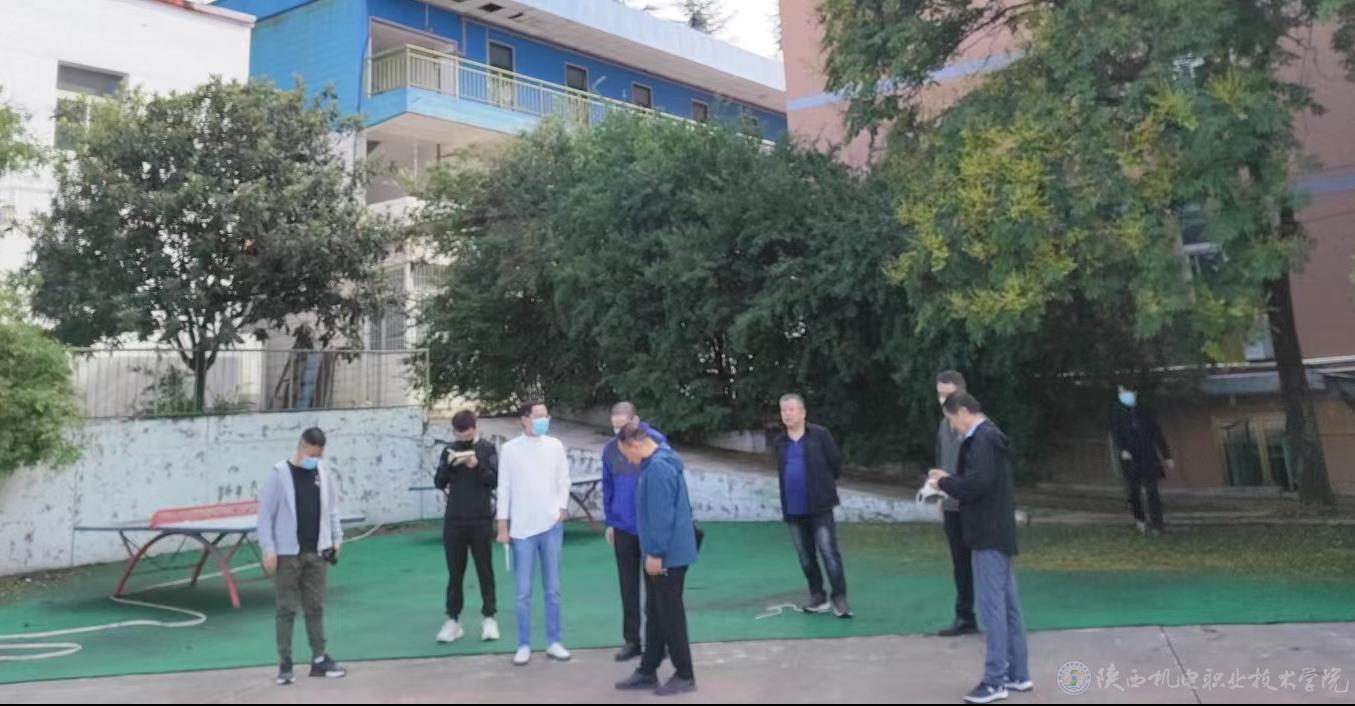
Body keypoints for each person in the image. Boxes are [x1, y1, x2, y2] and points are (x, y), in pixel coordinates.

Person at [929, 394, 1032, 704]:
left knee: (993, 609)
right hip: (997, 532)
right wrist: (950, 480)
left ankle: (995, 680)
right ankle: (1018, 673)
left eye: (951, 419)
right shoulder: (990, 436)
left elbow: (977, 484)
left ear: (963, 412)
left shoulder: (982, 439)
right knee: (1008, 606)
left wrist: (945, 483)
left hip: (988, 535)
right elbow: (980, 480)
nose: (952, 426)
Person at [612, 421, 699, 696]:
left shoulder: (658, 468)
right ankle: (648, 670)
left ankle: (684, 674)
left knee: (670, 614)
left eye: (626, 453)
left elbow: (662, 516)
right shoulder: (658, 463)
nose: (628, 459)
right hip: (665, 553)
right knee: (657, 611)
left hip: (667, 555)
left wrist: (656, 553)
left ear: (634, 444)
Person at [258, 427, 347, 685]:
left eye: (319, 454)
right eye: (311, 454)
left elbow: (332, 509)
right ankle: (285, 663)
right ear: (301, 447)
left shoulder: (323, 472)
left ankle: (319, 658)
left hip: (316, 552)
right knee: (286, 607)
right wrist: (268, 548)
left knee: (315, 606)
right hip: (287, 554)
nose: (314, 459)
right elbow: (265, 516)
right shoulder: (279, 474)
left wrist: (336, 539)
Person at [496, 401, 572, 666]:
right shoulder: (510, 450)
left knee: (553, 589)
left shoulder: (555, 446)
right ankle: (524, 644)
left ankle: (554, 641)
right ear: (524, 420)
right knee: (523, 592)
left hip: (551, 526)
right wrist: (502, 525)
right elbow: (504, 488)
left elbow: (563, 479)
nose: (543, 420)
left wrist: (562, 507)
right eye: (538, 416)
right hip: (522, 530)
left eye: (545, 416)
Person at [770, 393, 851, 617]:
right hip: (793, 509)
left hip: (820, 507)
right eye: (783, 410)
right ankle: (817, 596)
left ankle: (840, 598)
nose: (787, 414)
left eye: (791, 409)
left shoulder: (820, 435)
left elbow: (835, 463)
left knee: (829, 552)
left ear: (803, 413)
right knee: (805, 556)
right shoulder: (779, 443)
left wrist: (823, 486)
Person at [601, 401, 669, 662]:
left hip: (649, 527)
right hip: (622, 526)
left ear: (636, 421)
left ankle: (658, 641)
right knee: (627, 586)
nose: (619, 432)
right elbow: (608, 485)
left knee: (656, 588)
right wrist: (610, 521)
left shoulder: (656, 443)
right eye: (615, 427)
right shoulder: (610, 449)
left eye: (623, 426)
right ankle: (632, 640)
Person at [434, 410, 500, 643]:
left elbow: (494, 479)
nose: (463, 438)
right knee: (455, 572)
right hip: (454, 520)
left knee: (485, 570)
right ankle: (453, 620)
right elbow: (439, 482)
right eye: (459, 435)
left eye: (467, 434)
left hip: (480, 519)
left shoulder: (487, 449)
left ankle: (489, 617)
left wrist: (477, 465)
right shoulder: (448, 450)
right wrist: (449, 466)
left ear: (475, 428)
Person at [933, 370, 978, 637]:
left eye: (948, 394)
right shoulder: (943, 426)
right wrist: (939, 496)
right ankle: (965, 616)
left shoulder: (975, 428)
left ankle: (996, 614)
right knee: (960, 564)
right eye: (939, 394)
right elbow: (942, 461)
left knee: (982, 562)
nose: (943, 400)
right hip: (951, 504)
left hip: (971, 504)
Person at [1109, 385, 1174, 535]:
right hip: (1130, 458)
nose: (1122, 395)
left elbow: (1157, 434)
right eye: (1120, 392)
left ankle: (1157, 525)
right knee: (1133, 491)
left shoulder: (1145, 412)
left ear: (1134, 393)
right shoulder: (1117, 413)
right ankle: (1140, 519)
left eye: (1125, 392)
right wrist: (1123, 449)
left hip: (1148, 456)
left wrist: (1167, 456)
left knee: (1152, 491)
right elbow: (1116, 433)